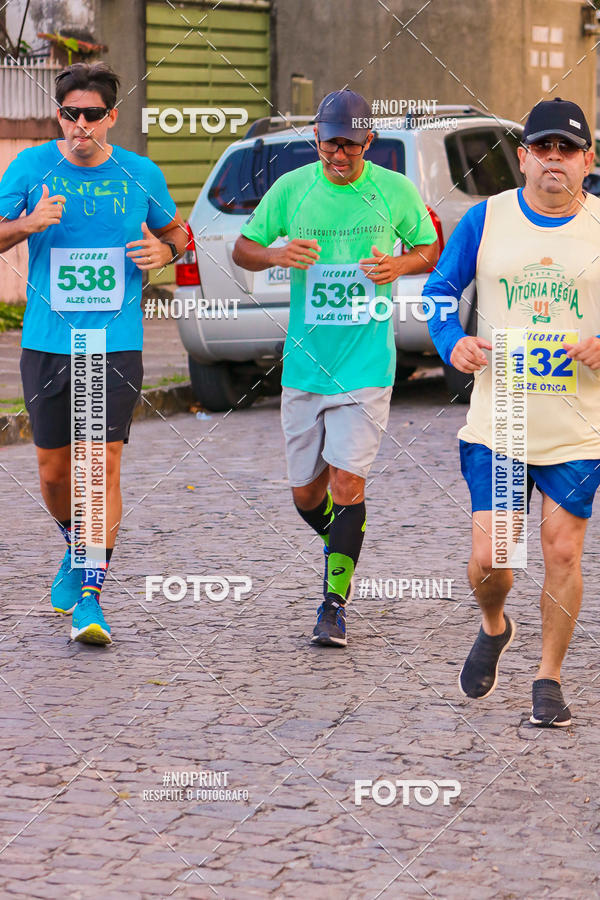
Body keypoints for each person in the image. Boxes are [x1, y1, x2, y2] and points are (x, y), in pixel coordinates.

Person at [232, 89, 438, 647]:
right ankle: (343, 542)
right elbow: (243, 249)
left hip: (368, 366)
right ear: (316, 140)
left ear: (368, 141)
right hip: (305, 367)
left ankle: (334, 603)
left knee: (348, 482)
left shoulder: (393, 191)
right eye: (329, 144)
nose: (338, 155)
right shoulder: (292, 191)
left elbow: (428, 247)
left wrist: (397, 264)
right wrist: (275, 255)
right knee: (306, 494)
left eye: (349, 144)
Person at [424, 97, 600, 726]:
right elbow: (439, 291)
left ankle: (548, 679)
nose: (555, 159)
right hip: (502, 423)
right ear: (523, 157)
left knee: (562, 550)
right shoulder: (486, 218)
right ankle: (495, 625)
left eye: (568, 149)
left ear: (587, 160)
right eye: (543, 148)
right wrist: (454, 342)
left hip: (578, 428)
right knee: (493, 557)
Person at [0, 62, 187, 645]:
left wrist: (164, 251)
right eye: (69, 114)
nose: (81, 125)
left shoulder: (140, 173)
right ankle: (72, 547)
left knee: (99, 465)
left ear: (112, 116)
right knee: (55, 474)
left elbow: (180, 234)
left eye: (92, 115)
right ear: (60, 115)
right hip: (48, 342)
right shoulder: (30, 168)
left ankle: (90, 595)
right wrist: (29, 222)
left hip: (115, 342)